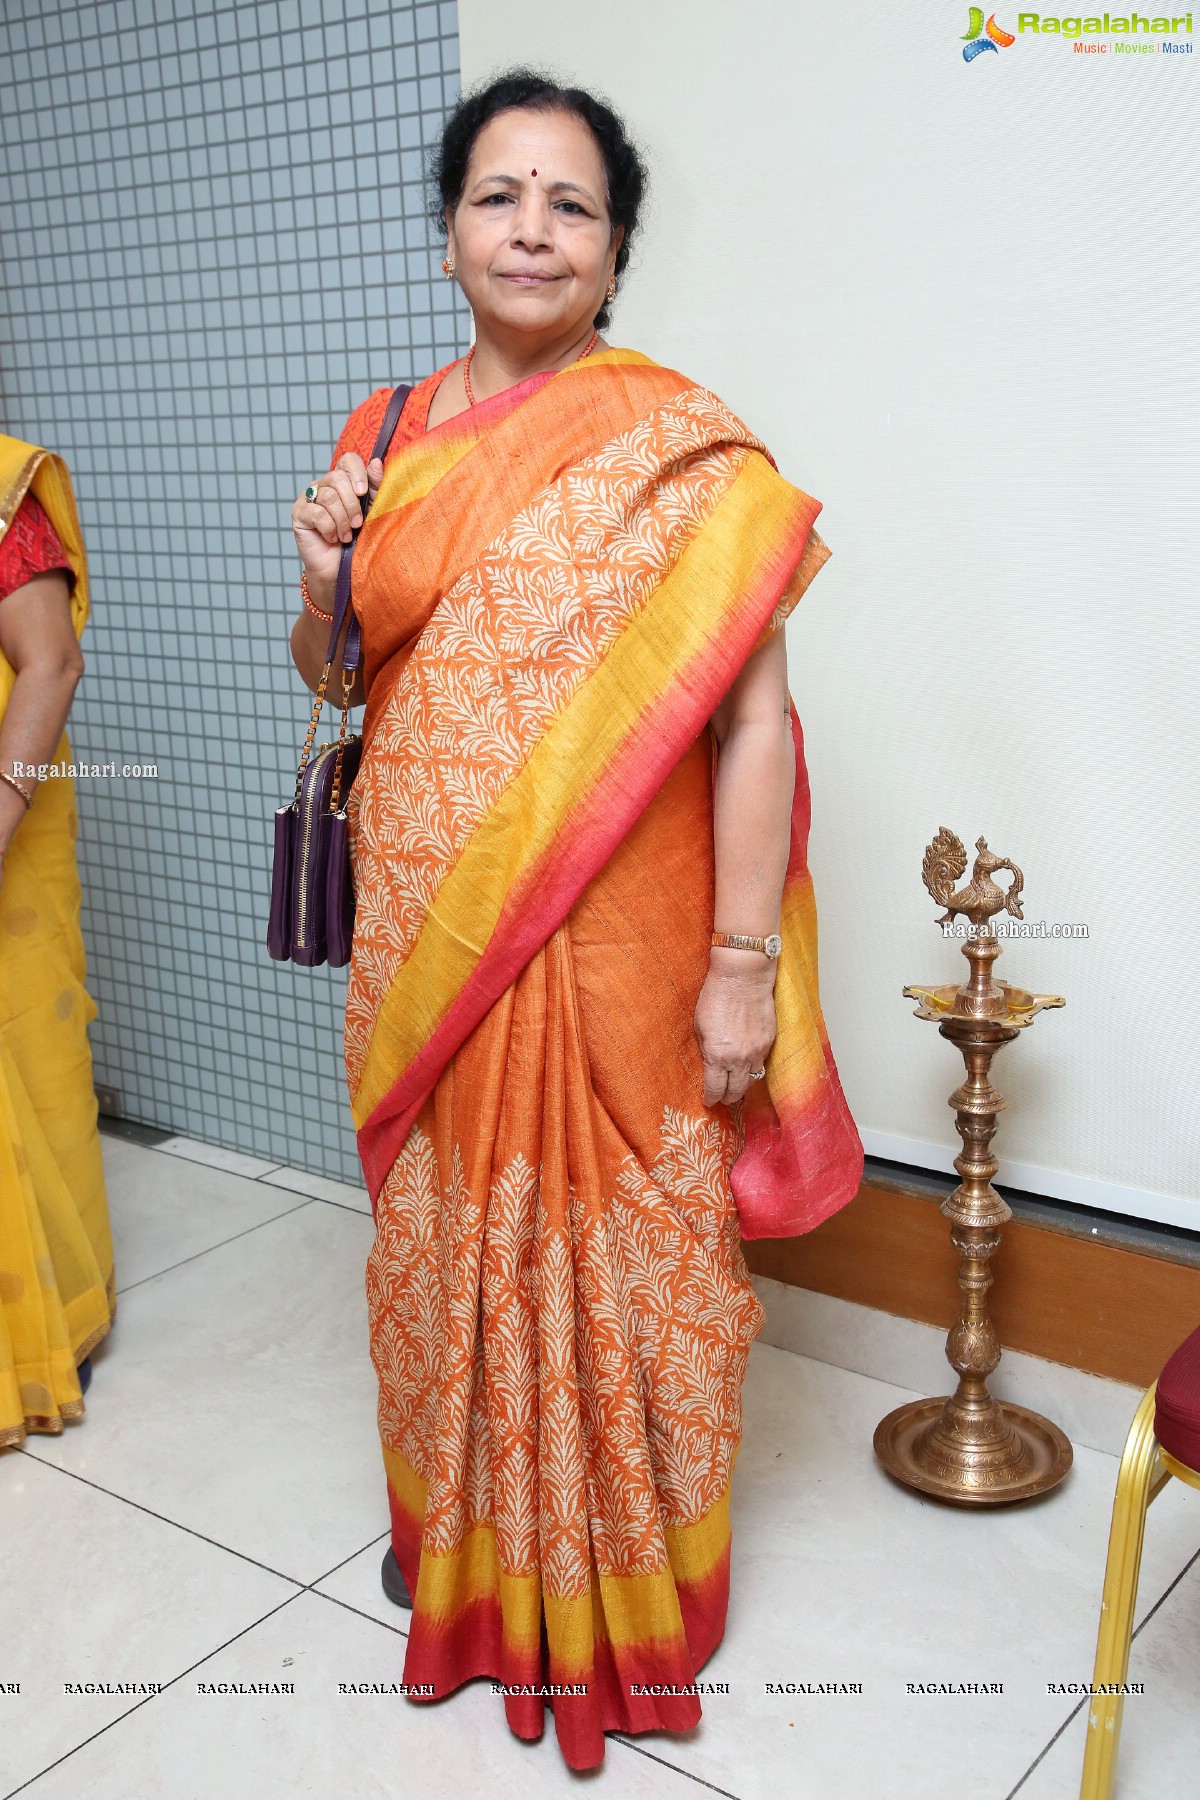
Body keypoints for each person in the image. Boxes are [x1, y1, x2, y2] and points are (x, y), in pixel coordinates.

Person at [289, 69, 863, 1773]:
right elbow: (341, 679)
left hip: (633, 943)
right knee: (446, 1240)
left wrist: (745, 967)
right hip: (430, 928)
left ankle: (635, 1590)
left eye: (572, 203)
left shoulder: (681, 446)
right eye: (499, 195)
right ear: (450, 228)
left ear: (615, 251)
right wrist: (321, 576)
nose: (533, 228)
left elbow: (755, 720)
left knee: (638, 1250)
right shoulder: (381, 436)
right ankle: (462, 1544)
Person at [0, 435, 115, 1450]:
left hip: (5, 844)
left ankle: (55, 1318)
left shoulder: (3, 486)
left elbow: (51, 660)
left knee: (28, 1063)